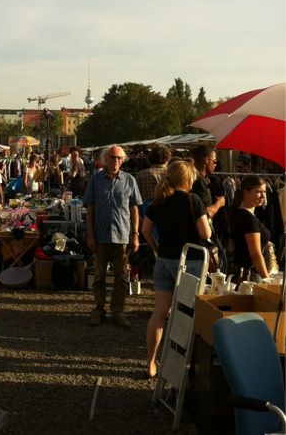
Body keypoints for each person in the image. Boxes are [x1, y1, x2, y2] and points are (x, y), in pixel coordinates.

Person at [142, 159, 211, 378]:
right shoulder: (193, 200)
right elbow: (205, 234)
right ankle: (181, 365)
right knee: (187, 314)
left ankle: (151, 363)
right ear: (188, 178)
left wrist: (156, 248)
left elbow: (145, 230)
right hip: (190, 261)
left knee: (159, 314)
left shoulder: (158, 201)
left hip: (164, 260)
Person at [84, 144, 142, 328]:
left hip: (122, 236)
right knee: (99, 276)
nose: (115, 160)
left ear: (122, 160)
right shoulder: (95, 180)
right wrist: (90, 235)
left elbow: (134, 209)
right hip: (100, 236)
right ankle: (99, 309)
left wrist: (135, 234)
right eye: (112, 157)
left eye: (118, 158)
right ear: (105, 159)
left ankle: (118, 311)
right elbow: (90, 209)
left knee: (121, 277)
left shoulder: (129, 180)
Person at [230, 175, 270, 281]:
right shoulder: (248, 218)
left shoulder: (239, 213)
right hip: (250, 276)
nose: (263, 196)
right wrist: (267, 280)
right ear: (246, 192)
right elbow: (255, 255)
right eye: (258, 192)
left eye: (264, 192)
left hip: (242, 272)